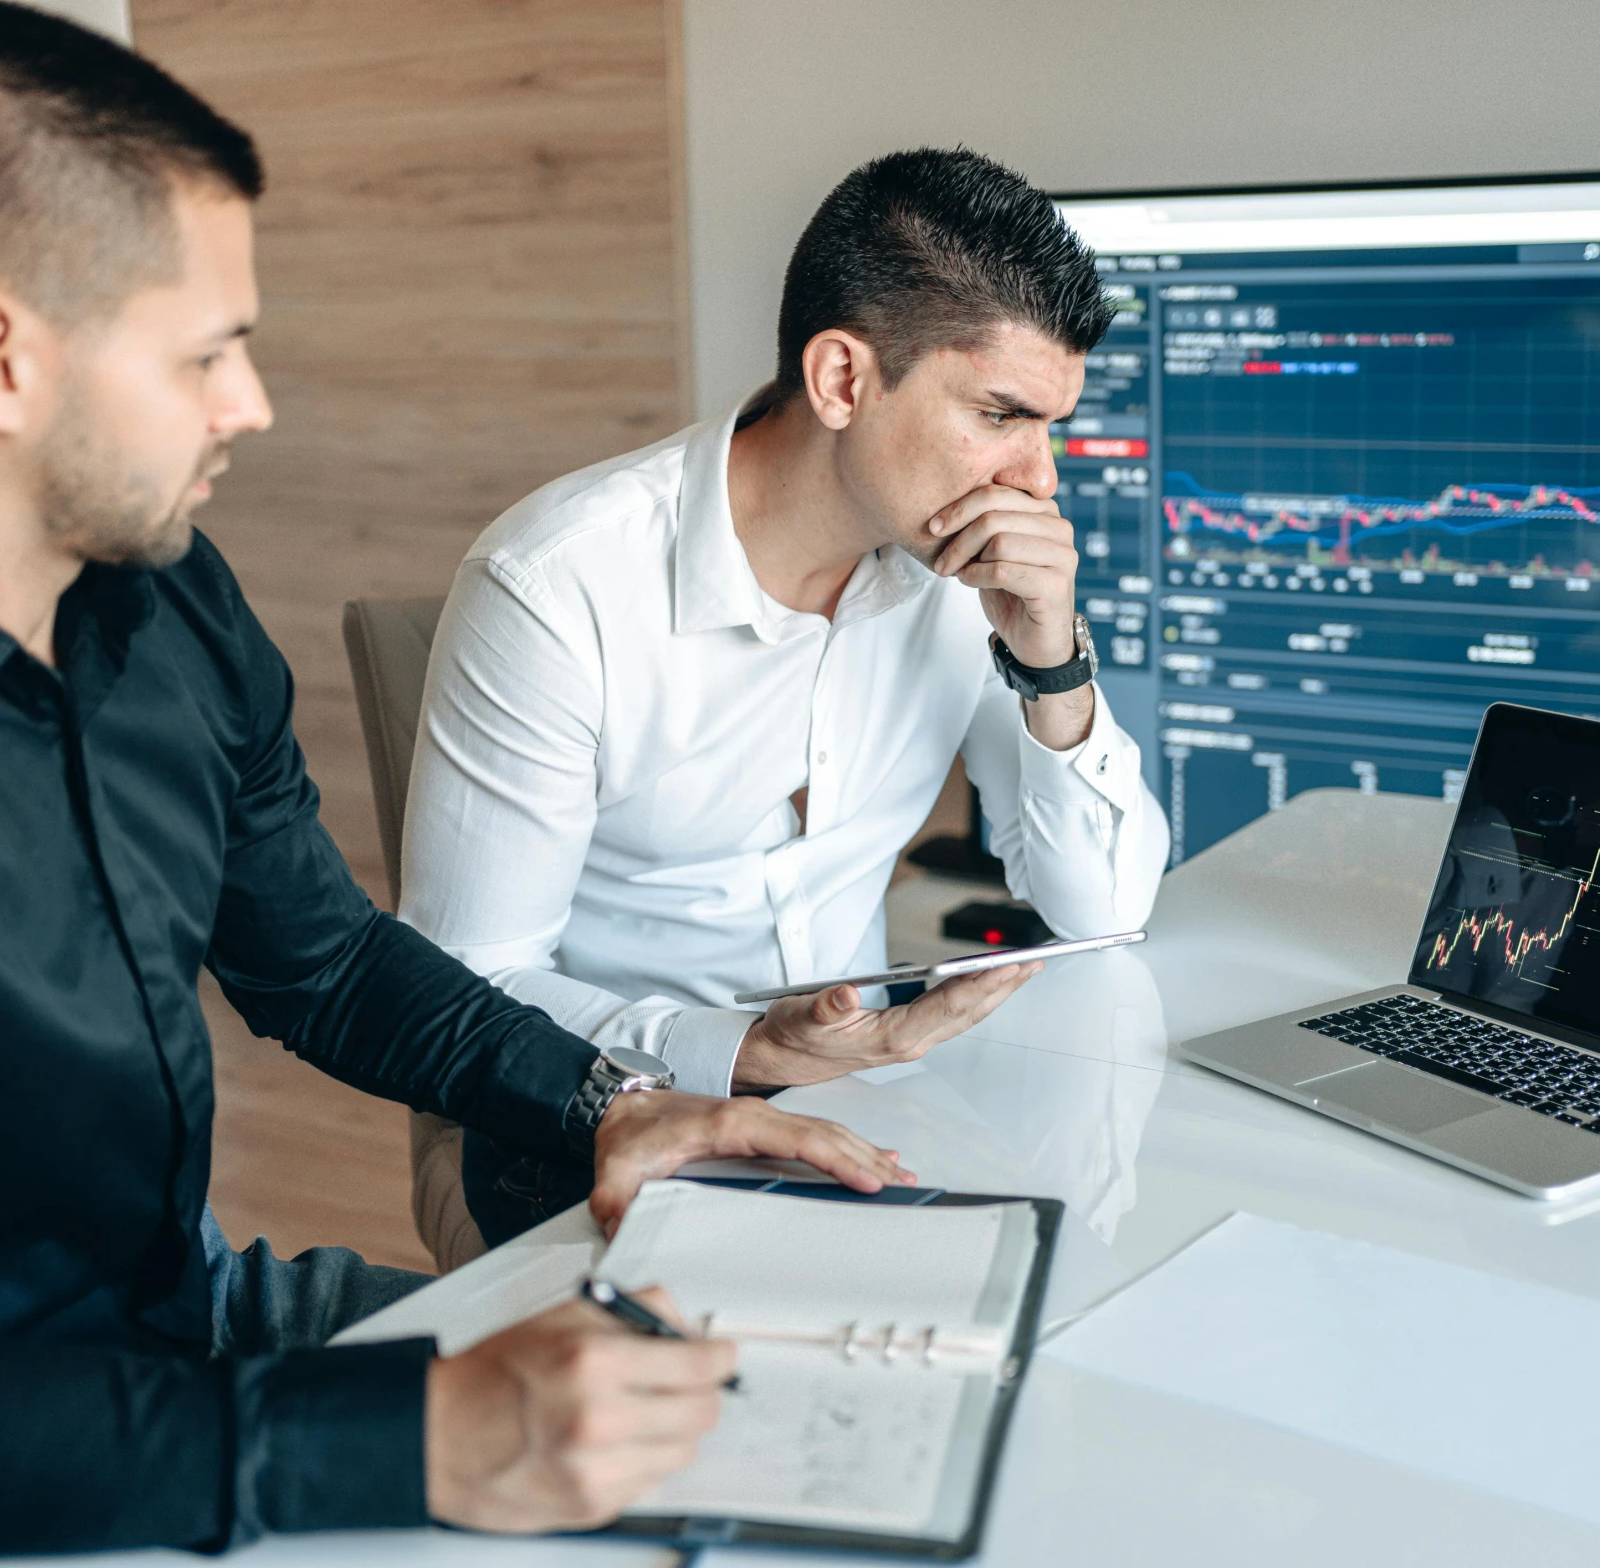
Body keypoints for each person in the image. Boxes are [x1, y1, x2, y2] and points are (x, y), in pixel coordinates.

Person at [0, 6, 915, 1564]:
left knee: (749, 1450)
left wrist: (616, 1100)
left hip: (182, 1315)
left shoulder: (161, 599)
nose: (248, 404)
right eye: (206, 353)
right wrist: (423, 1437)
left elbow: (321, 961)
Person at [400, 148, 1169, 1247]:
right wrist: (743, 1049)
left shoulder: (957, 569)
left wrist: (1051, 657)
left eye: (1050, 425)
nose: (1039, 477)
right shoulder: (557, 587)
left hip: (862, 1097)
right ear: (844, 380)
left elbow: (1104, 910)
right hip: (600, 1111)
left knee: (1078, 1279)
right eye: (1003, 413)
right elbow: (458, 988)